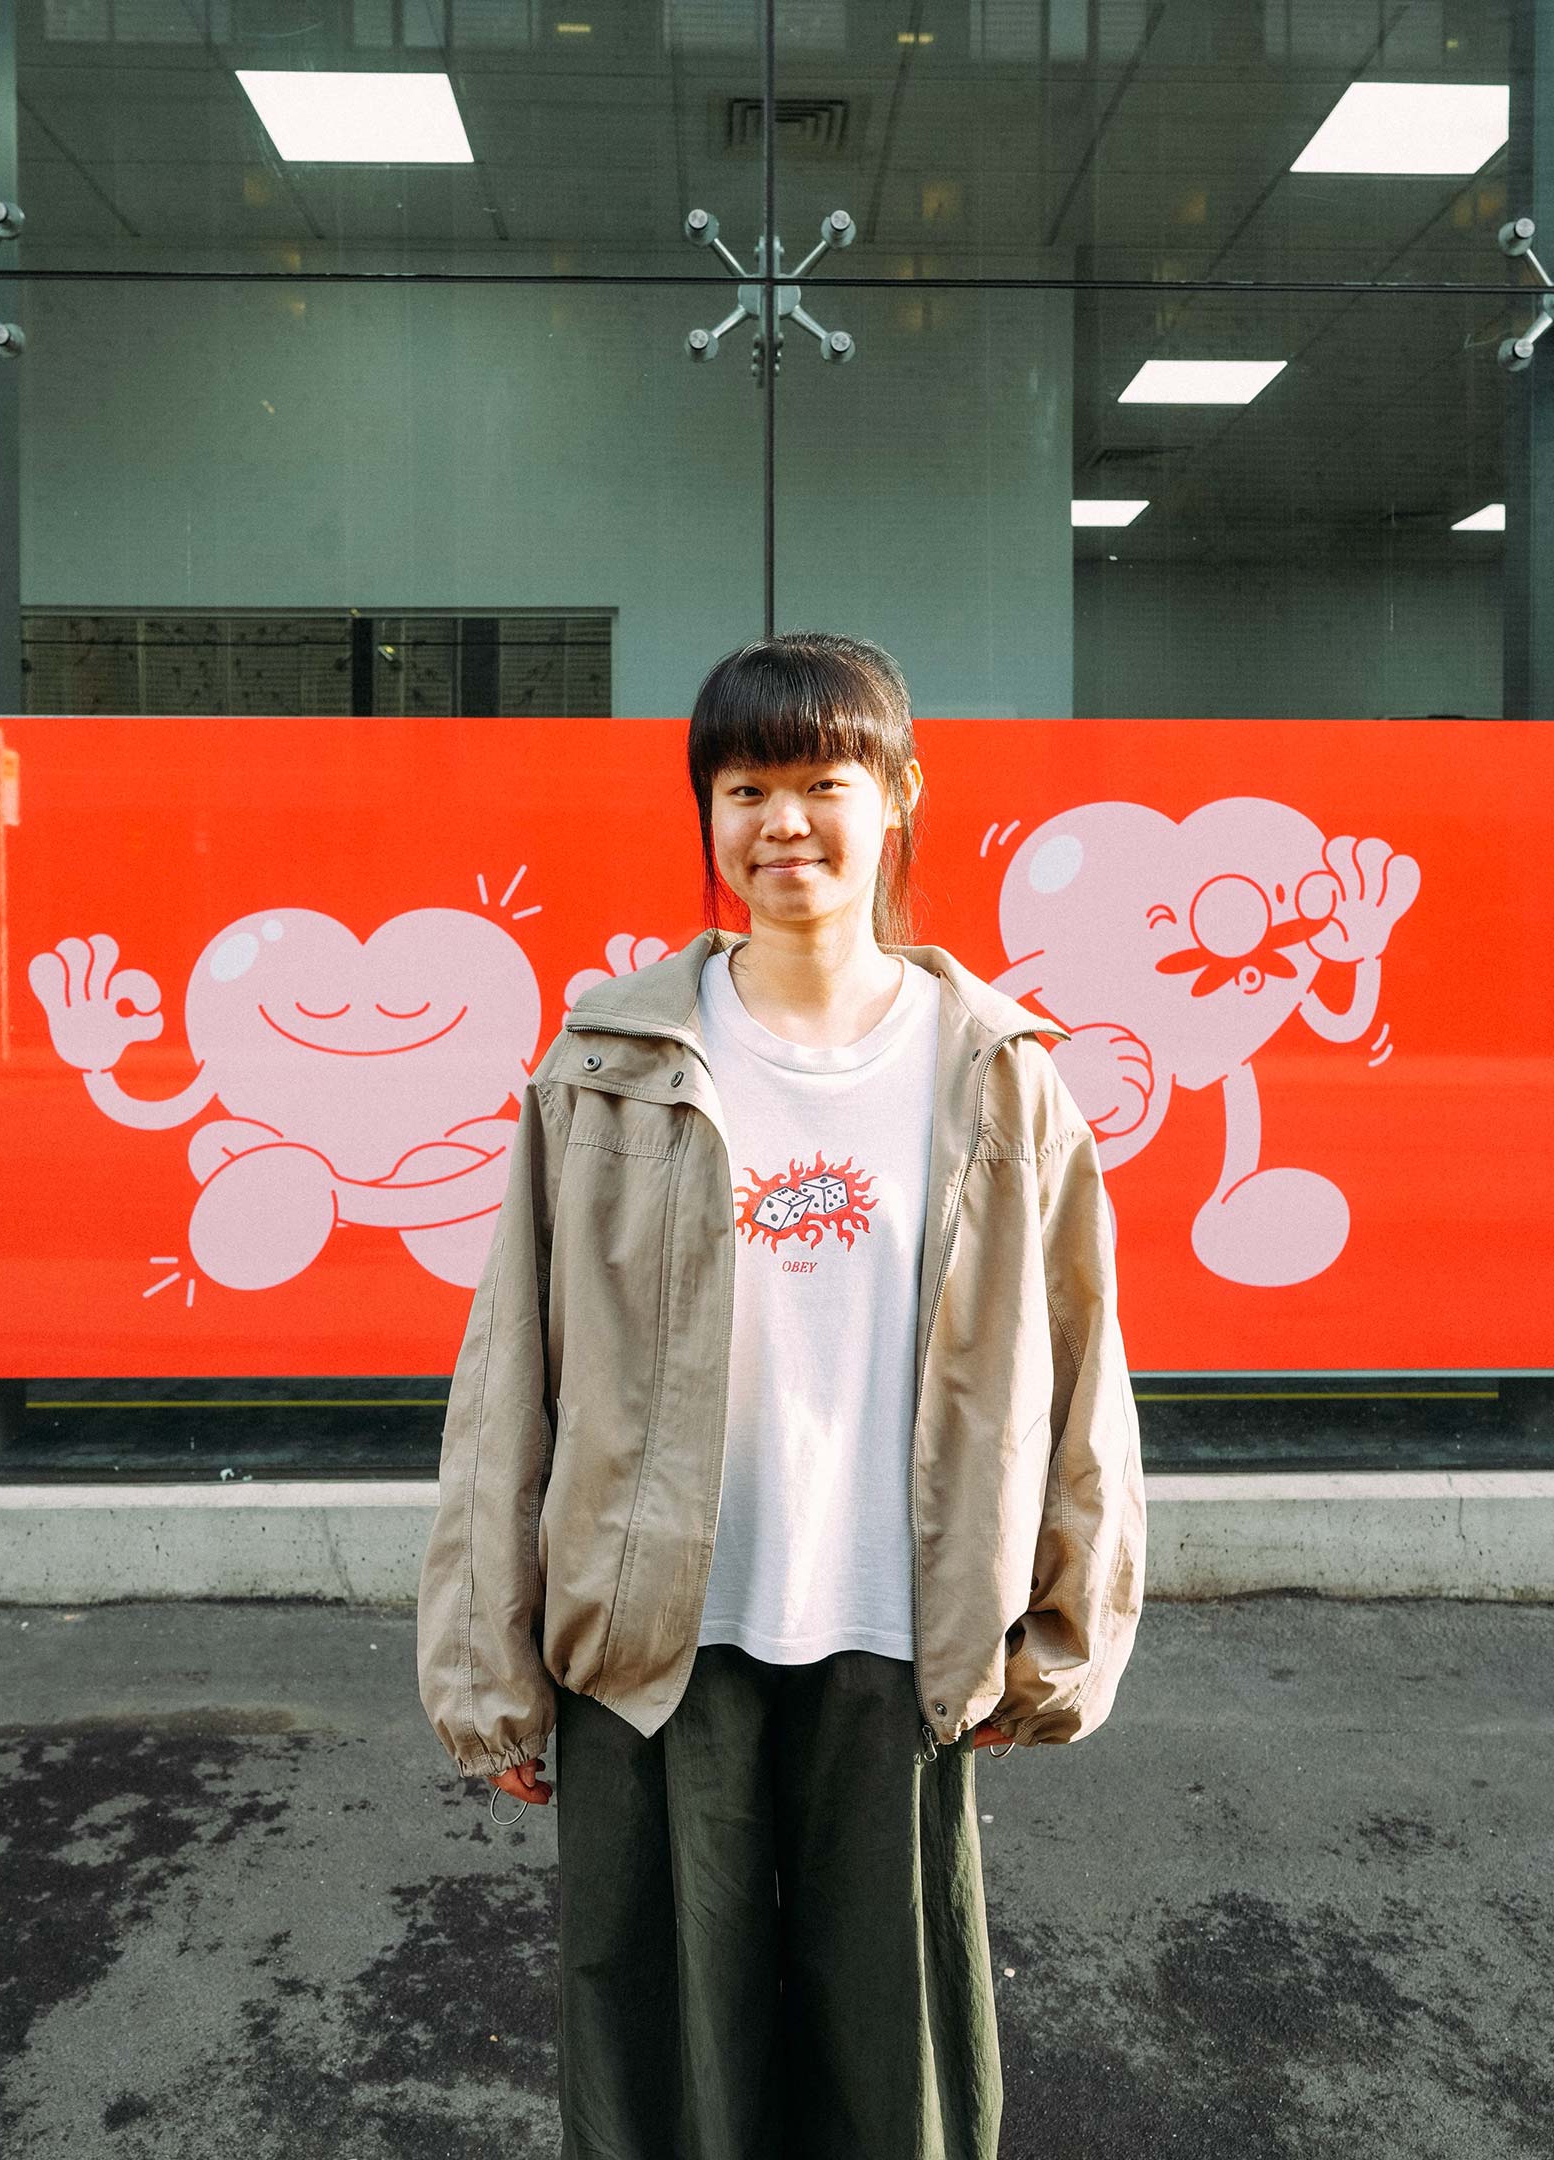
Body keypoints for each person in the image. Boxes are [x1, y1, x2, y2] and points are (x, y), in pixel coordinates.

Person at [417, 631, 1146, 2160]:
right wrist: (488, 1664)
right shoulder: (611, 1065)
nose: (784, 823)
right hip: (660, 1644)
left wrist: (1067, 1626)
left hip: (897, 1632)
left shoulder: (997, 1072)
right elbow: (509, 1385)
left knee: (894, 2078)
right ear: (708, 811)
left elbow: (1081, 1368)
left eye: (824, 781)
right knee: (671, 2075)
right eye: (746, 788)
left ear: (900, 795)